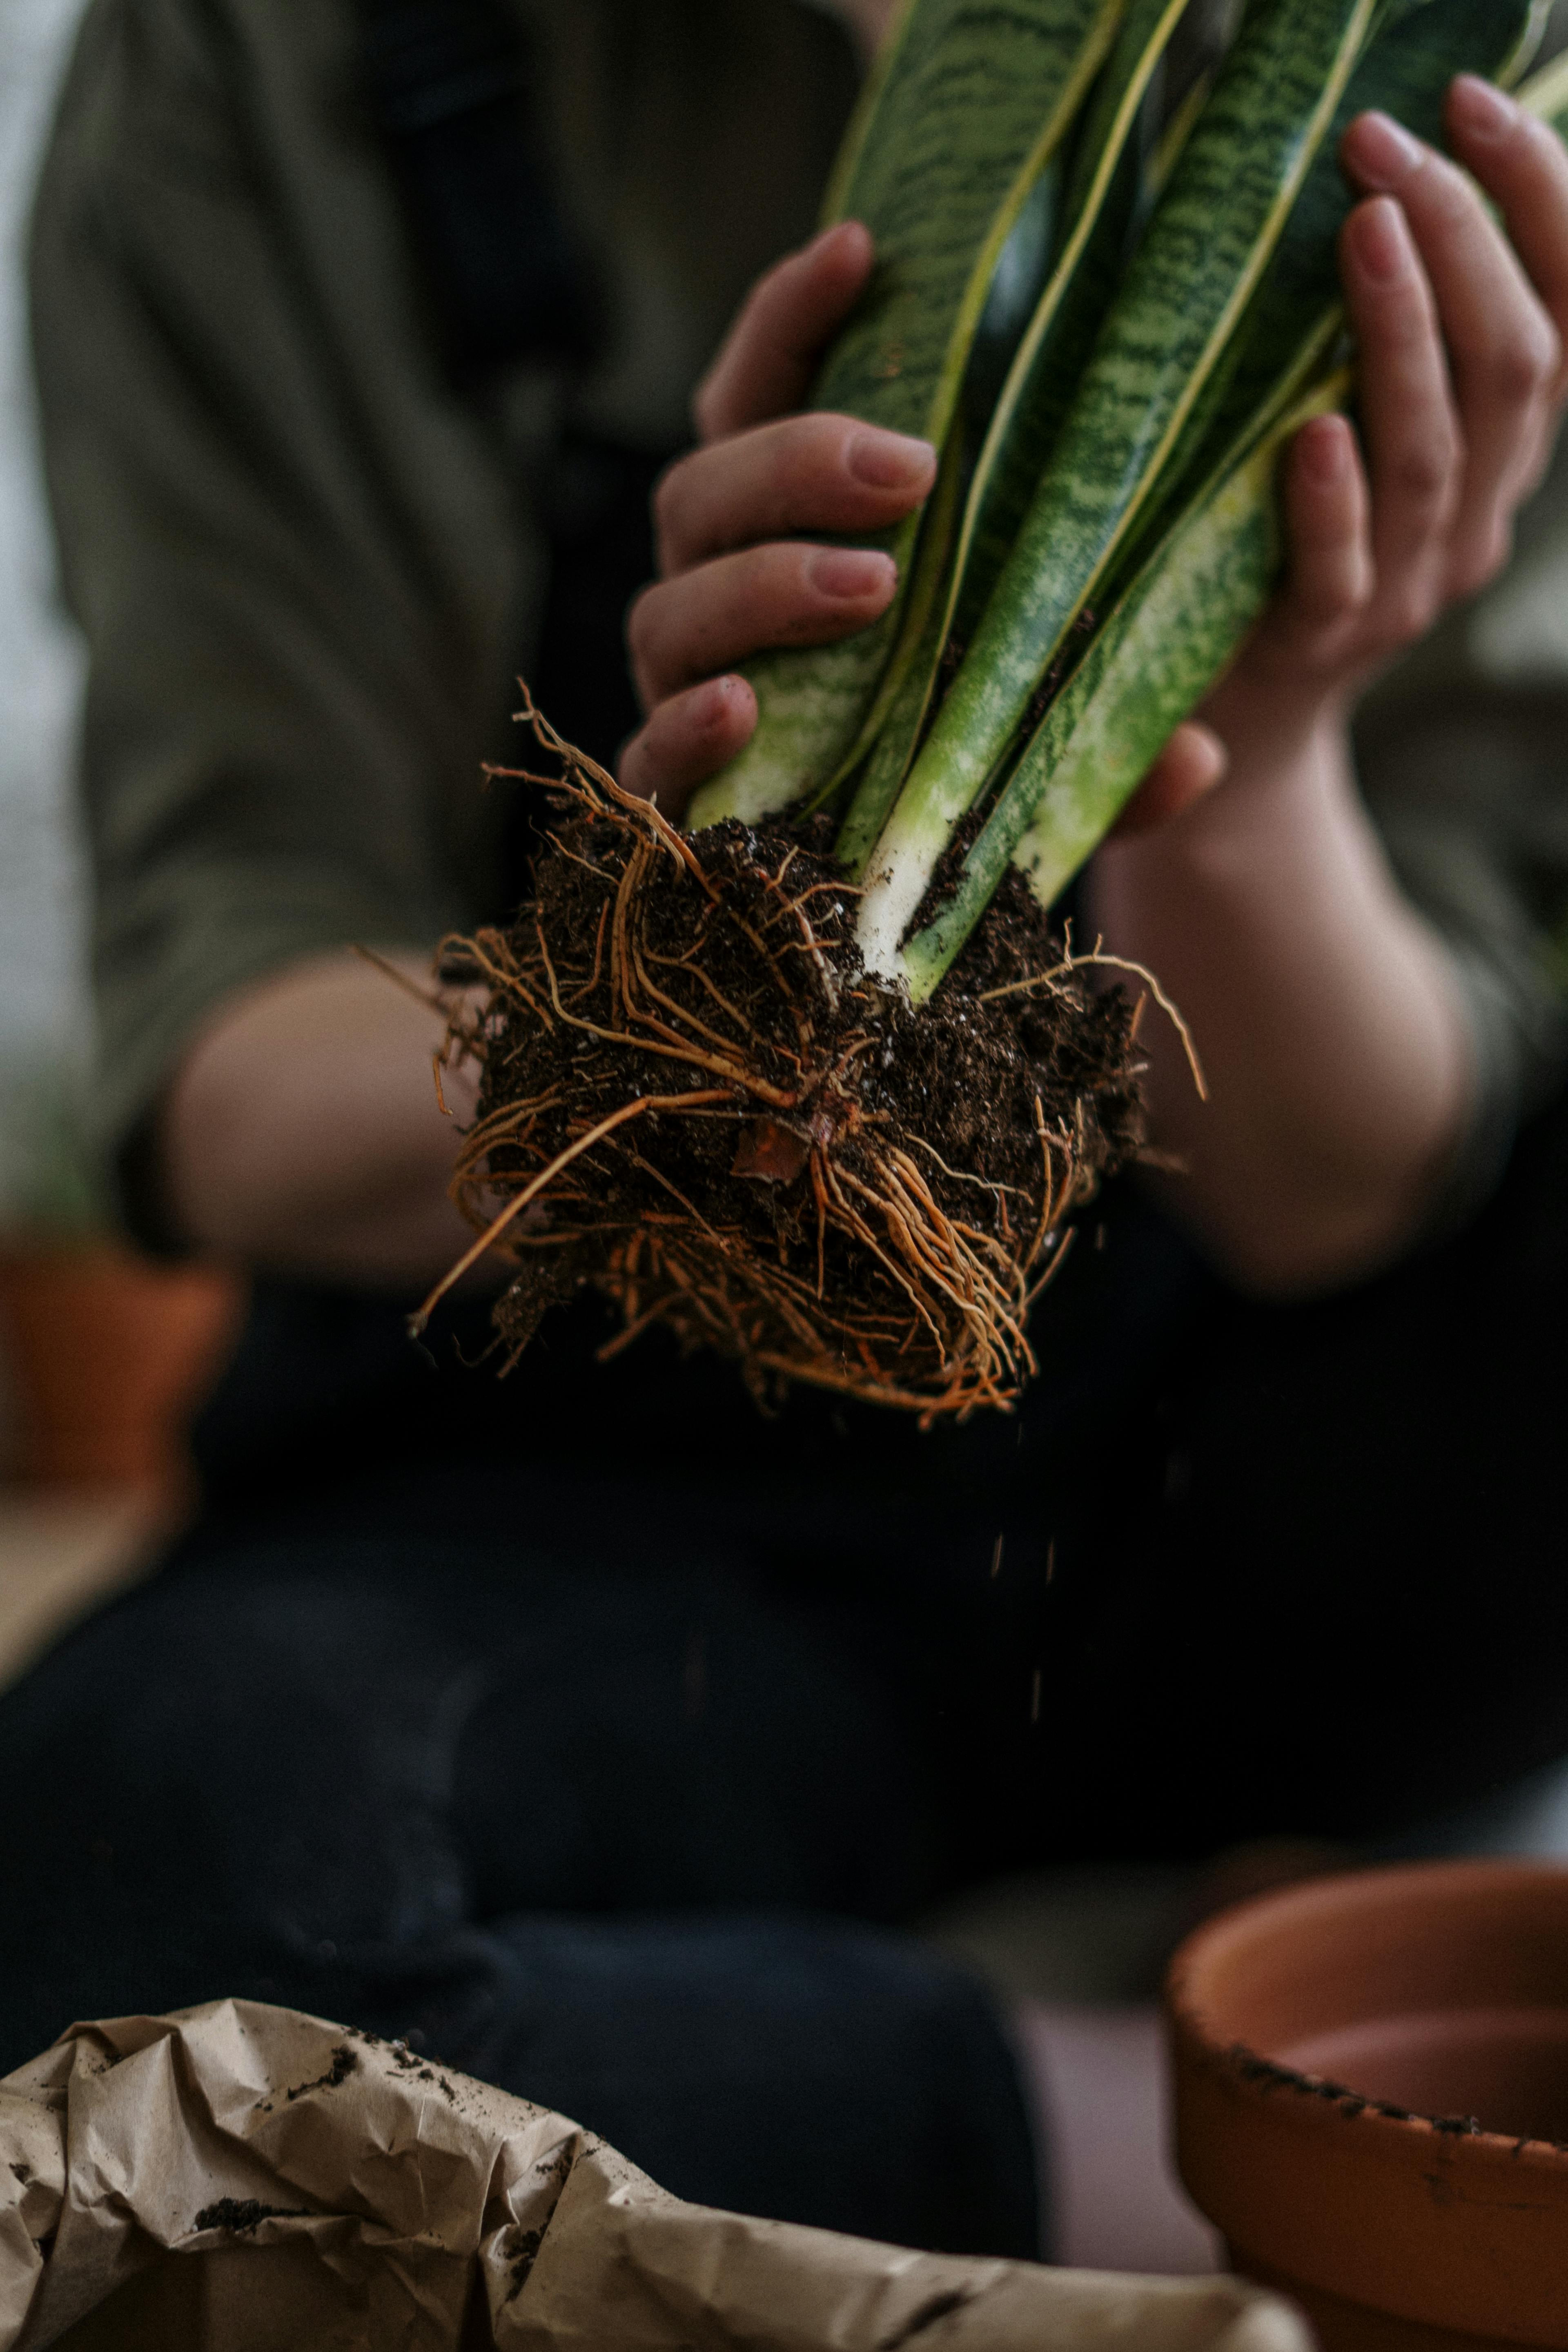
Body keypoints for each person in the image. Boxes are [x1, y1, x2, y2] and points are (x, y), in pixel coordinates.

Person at [3, 0, 1568, 2265]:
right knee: (127, 1941)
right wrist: (670, 1002)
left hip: (1260, 1510)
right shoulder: (273, 58)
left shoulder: (1445, 79)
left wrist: (1256, 743)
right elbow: (225, 1053)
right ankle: (1171, 2114)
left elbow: (1352, 1193)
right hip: (591, 1482)